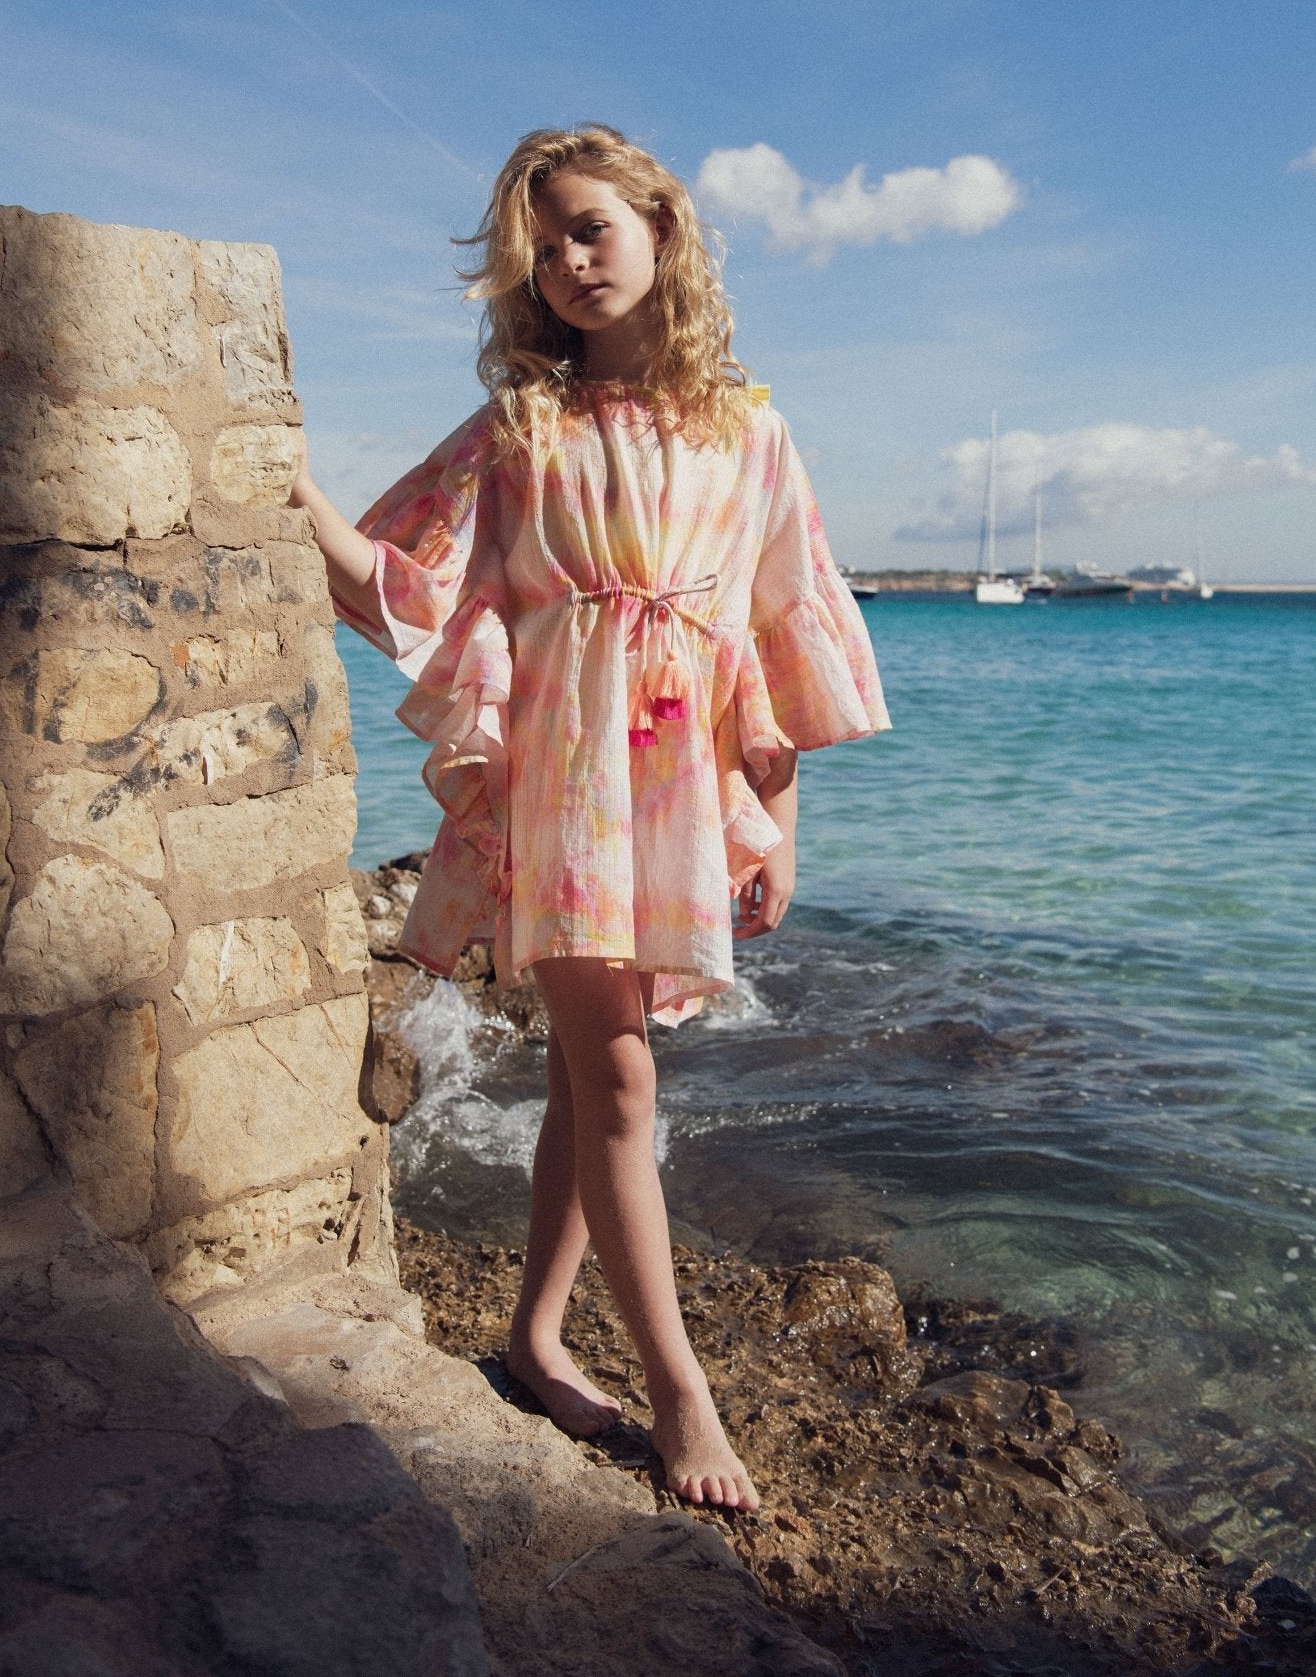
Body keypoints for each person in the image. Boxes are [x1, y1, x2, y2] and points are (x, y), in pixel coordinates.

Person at [293, 124, 889, 1511]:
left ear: (661, 233)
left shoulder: (753, 426)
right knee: (618, 1074)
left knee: (586, 1070)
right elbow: (397, 574)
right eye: (542, 246)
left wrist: (776, 821)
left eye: (589, 230)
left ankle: (534, 1336)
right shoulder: (521, 427)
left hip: (683, 786)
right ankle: (684, 1399)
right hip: (560, 782)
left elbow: (779, 624)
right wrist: (289, 486)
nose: (567, 263)